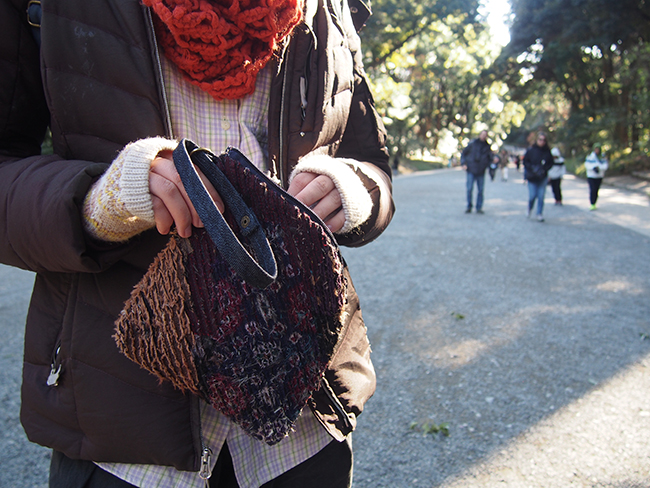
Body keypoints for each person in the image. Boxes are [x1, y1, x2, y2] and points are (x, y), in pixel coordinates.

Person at [0, 0, 395, 487]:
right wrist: (104, 198)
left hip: (306, 423)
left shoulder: (332, 6)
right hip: (125, 433)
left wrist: (353, 189)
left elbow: (370, 161)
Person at [523, 132, 554, 222]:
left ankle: (539, 213)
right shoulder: (531, 150)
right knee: (532, 196)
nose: (542, 142)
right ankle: (529, 208)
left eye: (544, 140)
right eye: (540, 139)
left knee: (541, 196)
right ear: (537, 140)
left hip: (542, 177)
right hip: (532, 177)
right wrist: (531, 169)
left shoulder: (547, 151)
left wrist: (544, 169)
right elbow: (525, 161)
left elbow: (551, 163)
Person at [461, 130, 493, 214]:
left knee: (480, 190)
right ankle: (469, 206)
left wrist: (490, 167)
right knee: (469, 189)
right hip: (471, 169)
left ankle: (479, 207)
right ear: (479, 135)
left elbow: (490, 159)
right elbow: (464, 153)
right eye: (482, 134)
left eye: (485, 135)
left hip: (481, 171)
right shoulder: (472, 144)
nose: (483, 136)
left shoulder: (487, 146)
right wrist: (463, 163)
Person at [584, 143, 609, 210]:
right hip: (591, 176)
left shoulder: (603, 157)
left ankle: (594, 202)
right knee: (592, 189)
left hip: (599, 176)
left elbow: (605, 166)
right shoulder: (590, 156)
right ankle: (592, 203)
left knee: (596, 190)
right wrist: (593, 168)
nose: (597, 151)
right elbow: (587, 165)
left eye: (598, 149)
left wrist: (599, 168)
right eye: (595, 149)